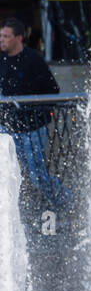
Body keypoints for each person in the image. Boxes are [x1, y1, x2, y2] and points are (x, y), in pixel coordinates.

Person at [0, 16, 71, 211]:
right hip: (6, 125)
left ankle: (66, 202)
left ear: (19, 38)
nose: (2, 40)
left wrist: (36, 111)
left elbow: (52, 90)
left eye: (6, 36)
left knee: (36, 175)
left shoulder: (33, 60)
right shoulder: (1, 60)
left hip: (31, 127)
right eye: (1, 36)